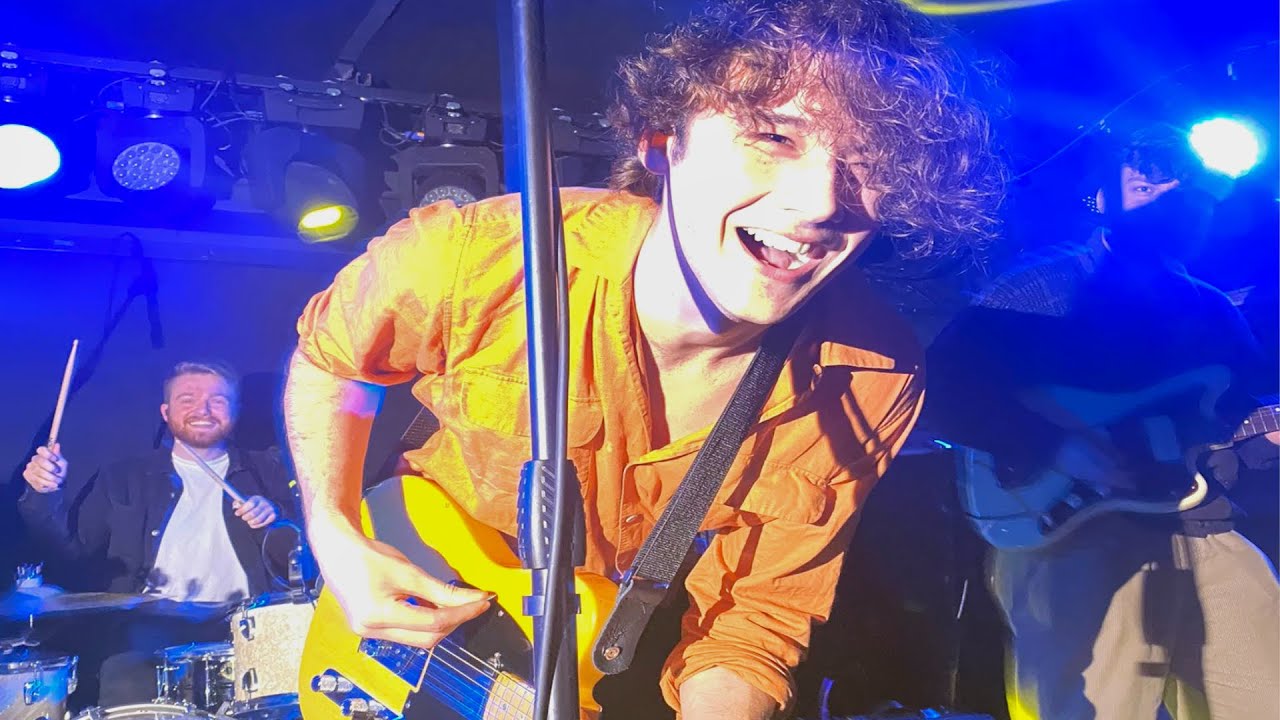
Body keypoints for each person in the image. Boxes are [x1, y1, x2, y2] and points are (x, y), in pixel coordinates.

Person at [283, 1, 1002, 717]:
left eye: (869, 163)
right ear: (663, 138)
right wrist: (336, 535)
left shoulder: (869, 375)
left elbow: (753, 623)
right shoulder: (474, 258)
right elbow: (333, 364)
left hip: (597, 653)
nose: (820, 202)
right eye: (774, 136)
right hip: (424, 584)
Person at [926, 126, 1280, 719]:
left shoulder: (1213, 308)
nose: (1172, 206)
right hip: (1070, 531)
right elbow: (939, 390)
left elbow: (1233, 422)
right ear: (1105, 197)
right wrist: (1054, 446)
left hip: (1198, 522)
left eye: (1187, 193)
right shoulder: (1040, 286)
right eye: (1147, 189)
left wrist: (1263, 438)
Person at [19, 360, 300, 707]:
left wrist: (278, 518)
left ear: (235, 410)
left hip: (247, 629)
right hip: (149, 632)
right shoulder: (122, 478)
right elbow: (70, 553)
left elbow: (308, 560)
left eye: (217, 400)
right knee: (124, 679)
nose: (203, 410)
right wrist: (43, 494)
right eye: (187, 399)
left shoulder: (271, 472)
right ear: (165, 412)